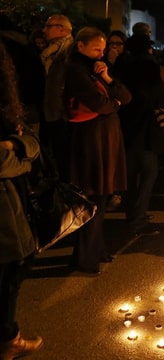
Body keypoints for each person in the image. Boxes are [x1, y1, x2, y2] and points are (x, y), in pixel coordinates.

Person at [64, 27, 131, 274]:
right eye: (97, 49)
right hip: (91, 141)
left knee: (100, 198)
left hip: (105, 139)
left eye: (103, 50)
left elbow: (126, 95)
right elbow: (101, 104)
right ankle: (85, 257)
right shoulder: (75, 70)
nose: (101, 54)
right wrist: (114, 103)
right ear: (80, 46)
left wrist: (108, 79)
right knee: (93, 198)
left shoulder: (96, 71)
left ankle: (94, 250)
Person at [0, 37, 44, 360]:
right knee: (13, 264)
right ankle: (8, 340)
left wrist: (16, 147)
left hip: (9, 194)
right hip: (3, 204)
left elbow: (30, 139)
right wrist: (22, 159)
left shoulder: (6, 102)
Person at [114, 33, 164, 239]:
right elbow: (157, 95)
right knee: (149, 173)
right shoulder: (150, 65)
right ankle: (138, 218)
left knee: (130, 174)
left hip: (124, 125)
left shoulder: (121, 63)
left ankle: (131, 214)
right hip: (144, 127)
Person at [40, 14, 74, 182]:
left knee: (63, 158)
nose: (44, 30)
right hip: (53, 111)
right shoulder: (51, 52)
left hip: (62, 114)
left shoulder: (69, 52)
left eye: (49, 26)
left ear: (63, 29)